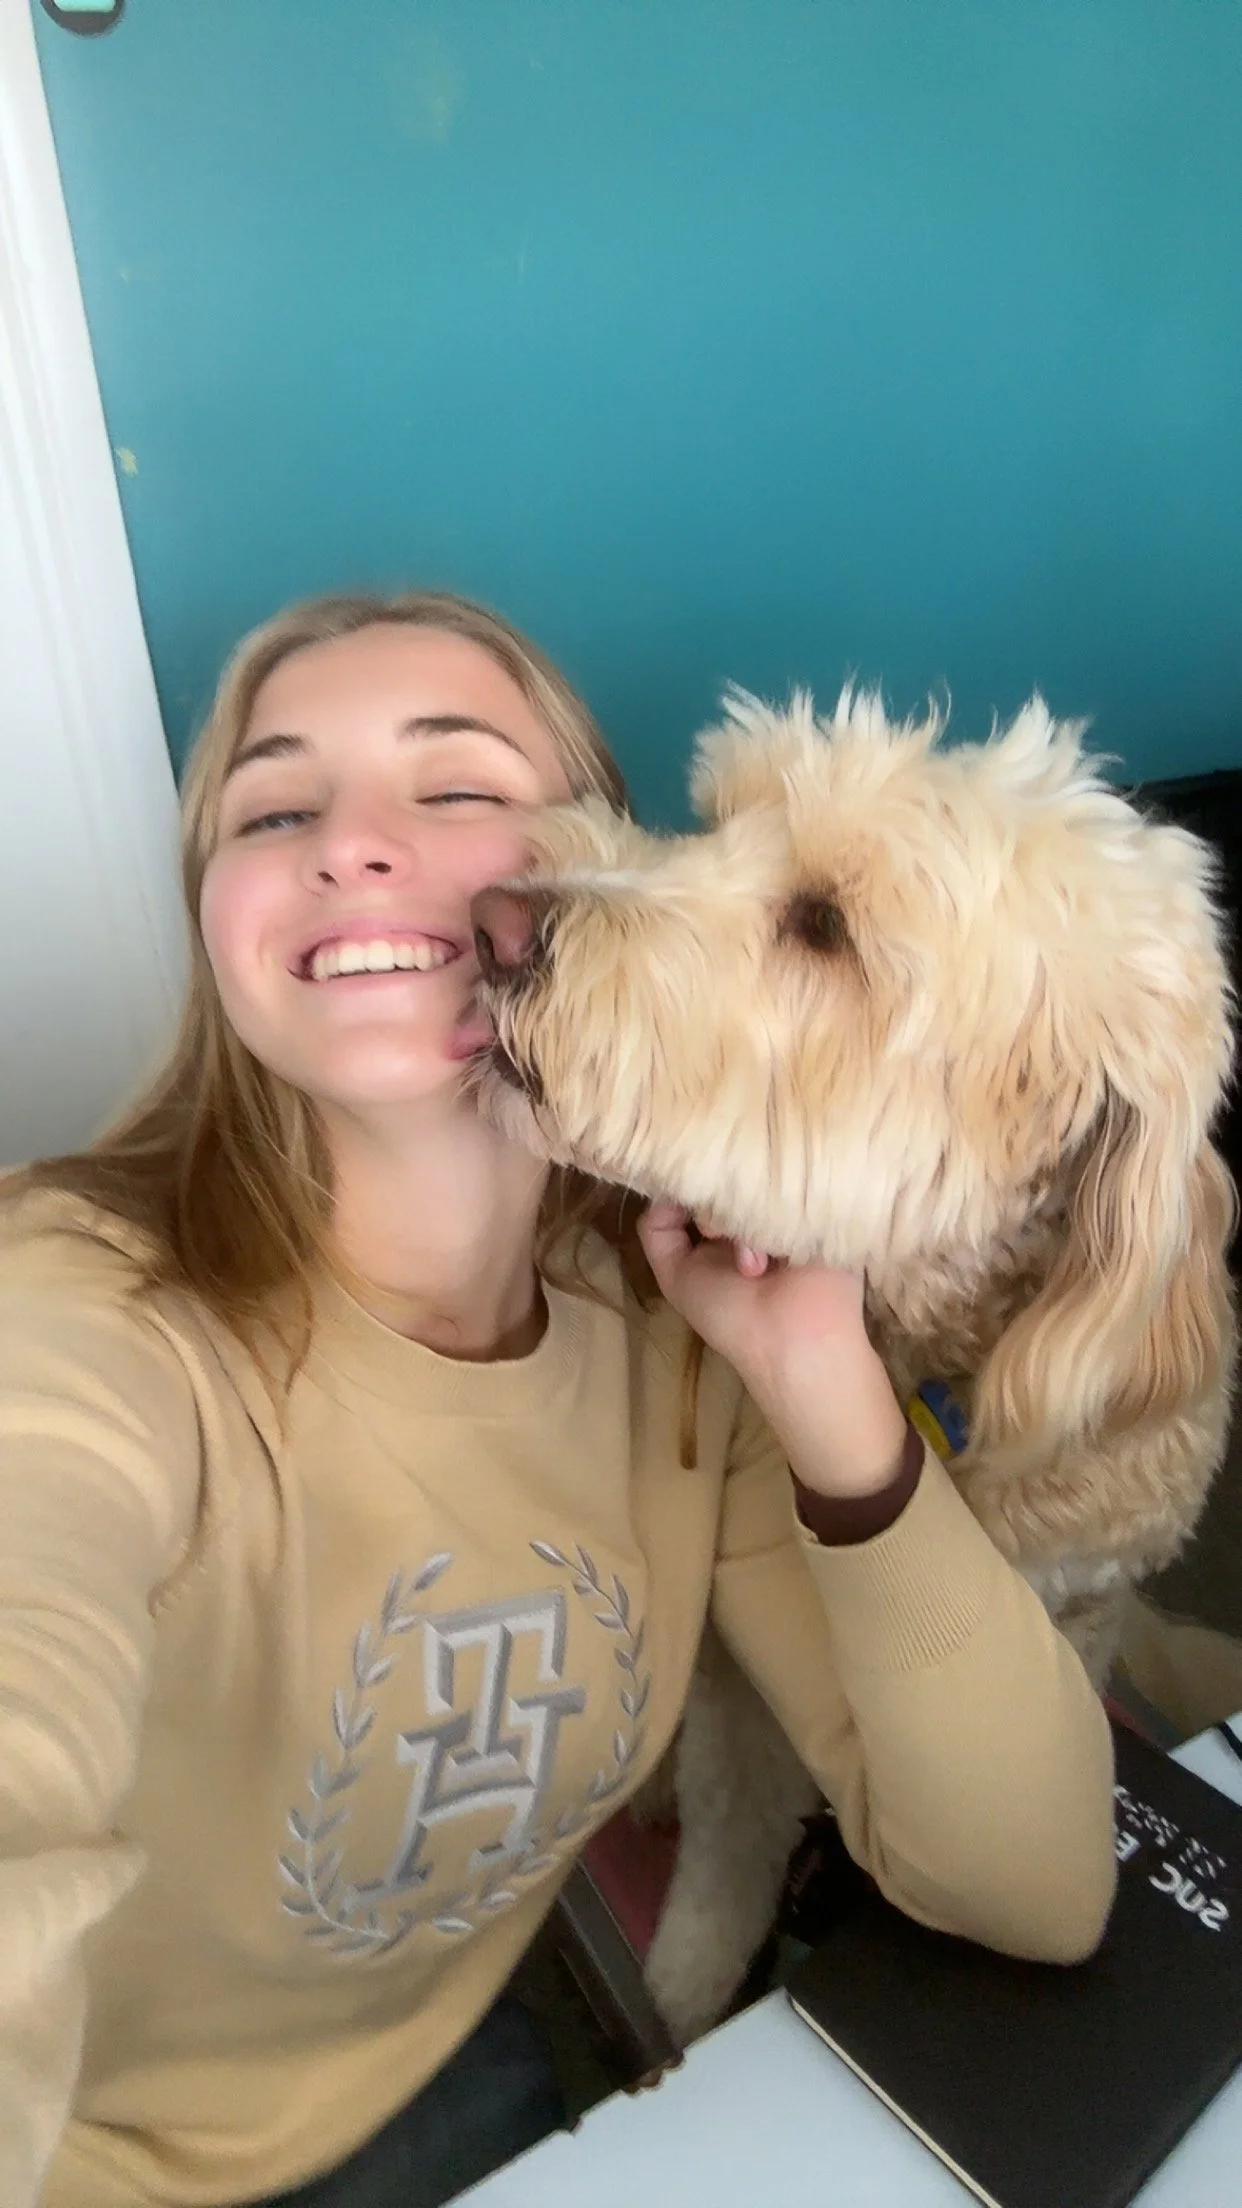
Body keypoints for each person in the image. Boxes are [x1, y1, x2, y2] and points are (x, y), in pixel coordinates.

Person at [0, 590, 1116, 2208]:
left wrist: (819, 1376)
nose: (348, 843)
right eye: (274, 808)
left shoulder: (676, 1340)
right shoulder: (71, 1312)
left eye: (454, 784)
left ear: (597, 870)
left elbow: (1040, 1889)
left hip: (463, 2058)